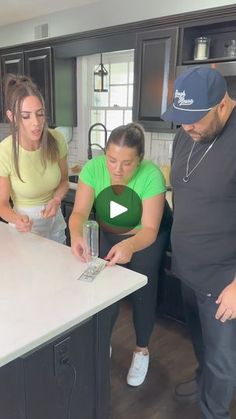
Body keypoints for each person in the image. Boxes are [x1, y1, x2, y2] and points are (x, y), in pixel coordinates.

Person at [69, 122, 172, 386]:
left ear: (140, 159)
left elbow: (149, 229)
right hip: (110, 231)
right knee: (105, 292)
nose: (117, 169)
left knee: (143, 293)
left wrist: (130, 246)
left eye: (127, 163)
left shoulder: (152, 175)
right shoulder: (93, 169)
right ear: (105, 154)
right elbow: (79, 213)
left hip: (145, 237)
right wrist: (77, 235)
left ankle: (141, 351)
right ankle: (104, 343)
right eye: (112, 160)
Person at [161, 66, 236, 419]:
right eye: (181, 119)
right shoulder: (186, 136)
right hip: (188, 270)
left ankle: (214, 411)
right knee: (201, 344)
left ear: (222, 106)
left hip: (224, 281)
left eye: (194, 119)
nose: (186, 127)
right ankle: (201, 376)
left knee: (223, 362)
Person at [0, 74, 69, 243]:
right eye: (26, 116)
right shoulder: (5, 150)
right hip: (25, 226)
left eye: (40, 114)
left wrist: (57, 199)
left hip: (55, 223)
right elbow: (2, 204)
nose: (36, 123)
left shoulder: (57, 139)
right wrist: (16, 219)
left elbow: (64, 182)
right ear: (12, 116)